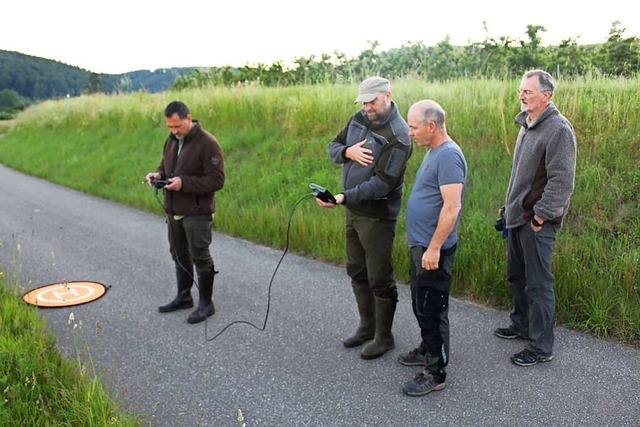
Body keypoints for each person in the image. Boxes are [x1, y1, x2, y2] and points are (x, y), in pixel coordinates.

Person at [316, 76, 412, 360]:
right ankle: (366, 327)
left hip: (378, 216)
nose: (367, 107)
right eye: (364, 102)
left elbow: (383, 183)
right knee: (356, 271)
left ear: (387, 96)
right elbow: (333, 147)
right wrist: (348, 151)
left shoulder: (400, 135)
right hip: (353, 212)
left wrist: (344, 196)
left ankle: (384, 337)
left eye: (372, 101)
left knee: (379, 277)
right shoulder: (358, 118)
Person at [494, 69, 577, 366]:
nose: (522, 95)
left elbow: (561, 182)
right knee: (516, 275)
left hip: (537, 222)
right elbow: (521, 175)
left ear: (547, 95)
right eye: (521, 90)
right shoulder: (527, 124)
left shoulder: (558, 129)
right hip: (518, 216)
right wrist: (508, 206)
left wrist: (541, 216)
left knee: (538, 284)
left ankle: (541, 346)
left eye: (528, 91)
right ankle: (521, 325)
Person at [399, 100, 467, 397]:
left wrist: (434, 247)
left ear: (431, 126)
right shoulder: (433, 152)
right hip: (421, 245)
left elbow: (452, 207)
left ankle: (436, 371)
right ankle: (428, 349)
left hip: (432, 249)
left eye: (413, 127)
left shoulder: (449, 156)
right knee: (420, 303)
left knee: (433, 310)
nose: (409, 132)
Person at [145, 100, 225, 324]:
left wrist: (184, 183)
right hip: (173, 209)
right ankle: (183, 297)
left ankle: (206, 304)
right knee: (179, 254)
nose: (174, 131)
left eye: (177, 126)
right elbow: (165, 166)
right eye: (170, 127)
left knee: (200, 255)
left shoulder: (208, 143)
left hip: (197, 212)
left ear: (189, 118)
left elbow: (217, 180)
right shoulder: (171, 141)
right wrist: (157, 175)